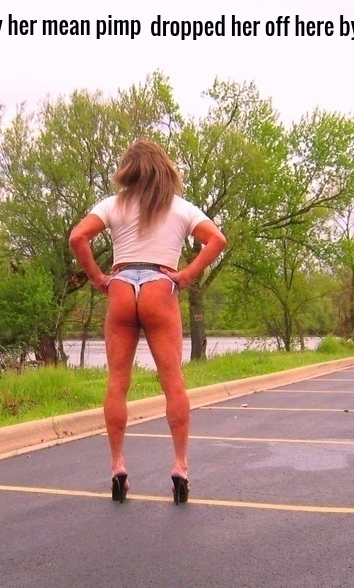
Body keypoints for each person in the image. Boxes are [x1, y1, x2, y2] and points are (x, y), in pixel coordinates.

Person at [69, 140, 226, 505]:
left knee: (117, 382)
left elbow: (78, 237)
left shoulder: (113, 204)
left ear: (128, 170)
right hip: (160, 286)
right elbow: (217, 240)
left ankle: (118, 466)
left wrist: (97, 277)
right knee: (173, 382)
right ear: (164, 168)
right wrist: (185, 276)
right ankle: (180, 467)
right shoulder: (180, 207)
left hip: (122, 286)